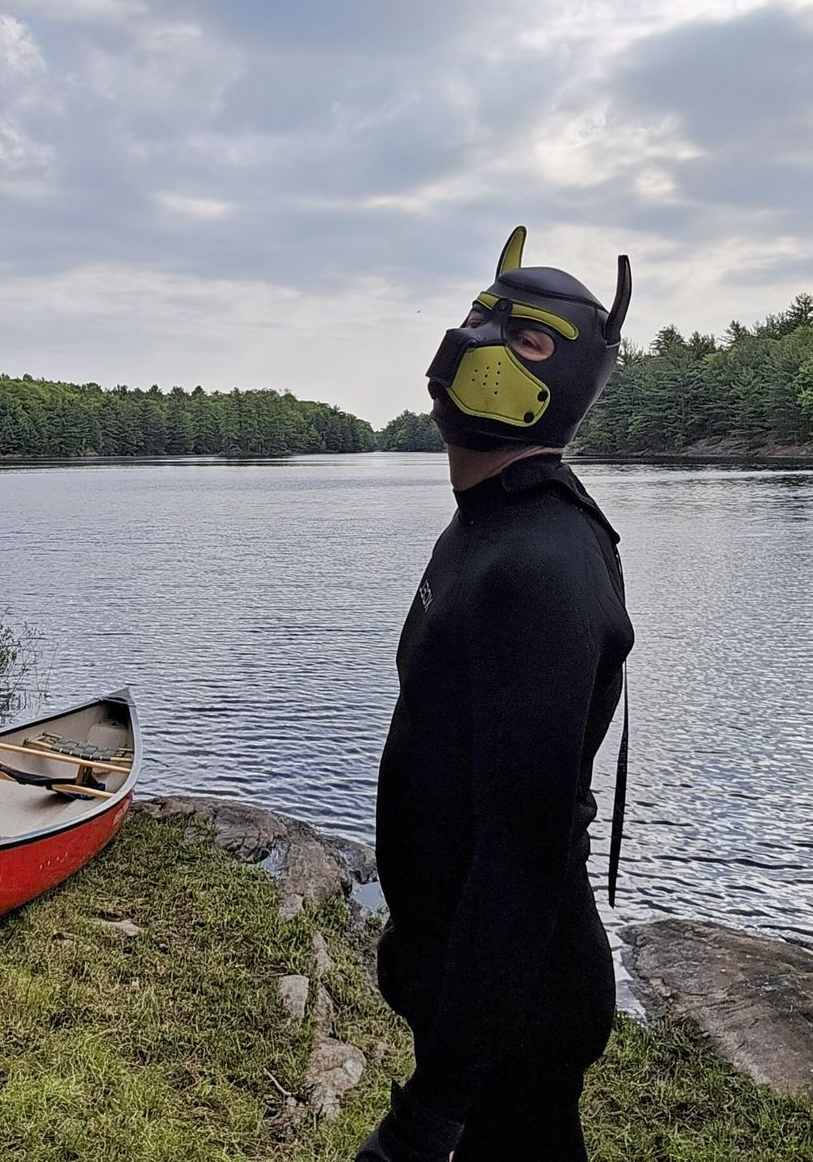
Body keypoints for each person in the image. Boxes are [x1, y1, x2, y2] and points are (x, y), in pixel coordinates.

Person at [356, 227, 635, 1162]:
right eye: (482, 313)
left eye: (525, 337)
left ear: (565, 381)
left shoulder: (541, 564)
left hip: (519, 1015)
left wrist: (432, 1113)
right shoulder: (487, 523)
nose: (477, 339)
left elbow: (522, 854)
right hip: (471, 990)